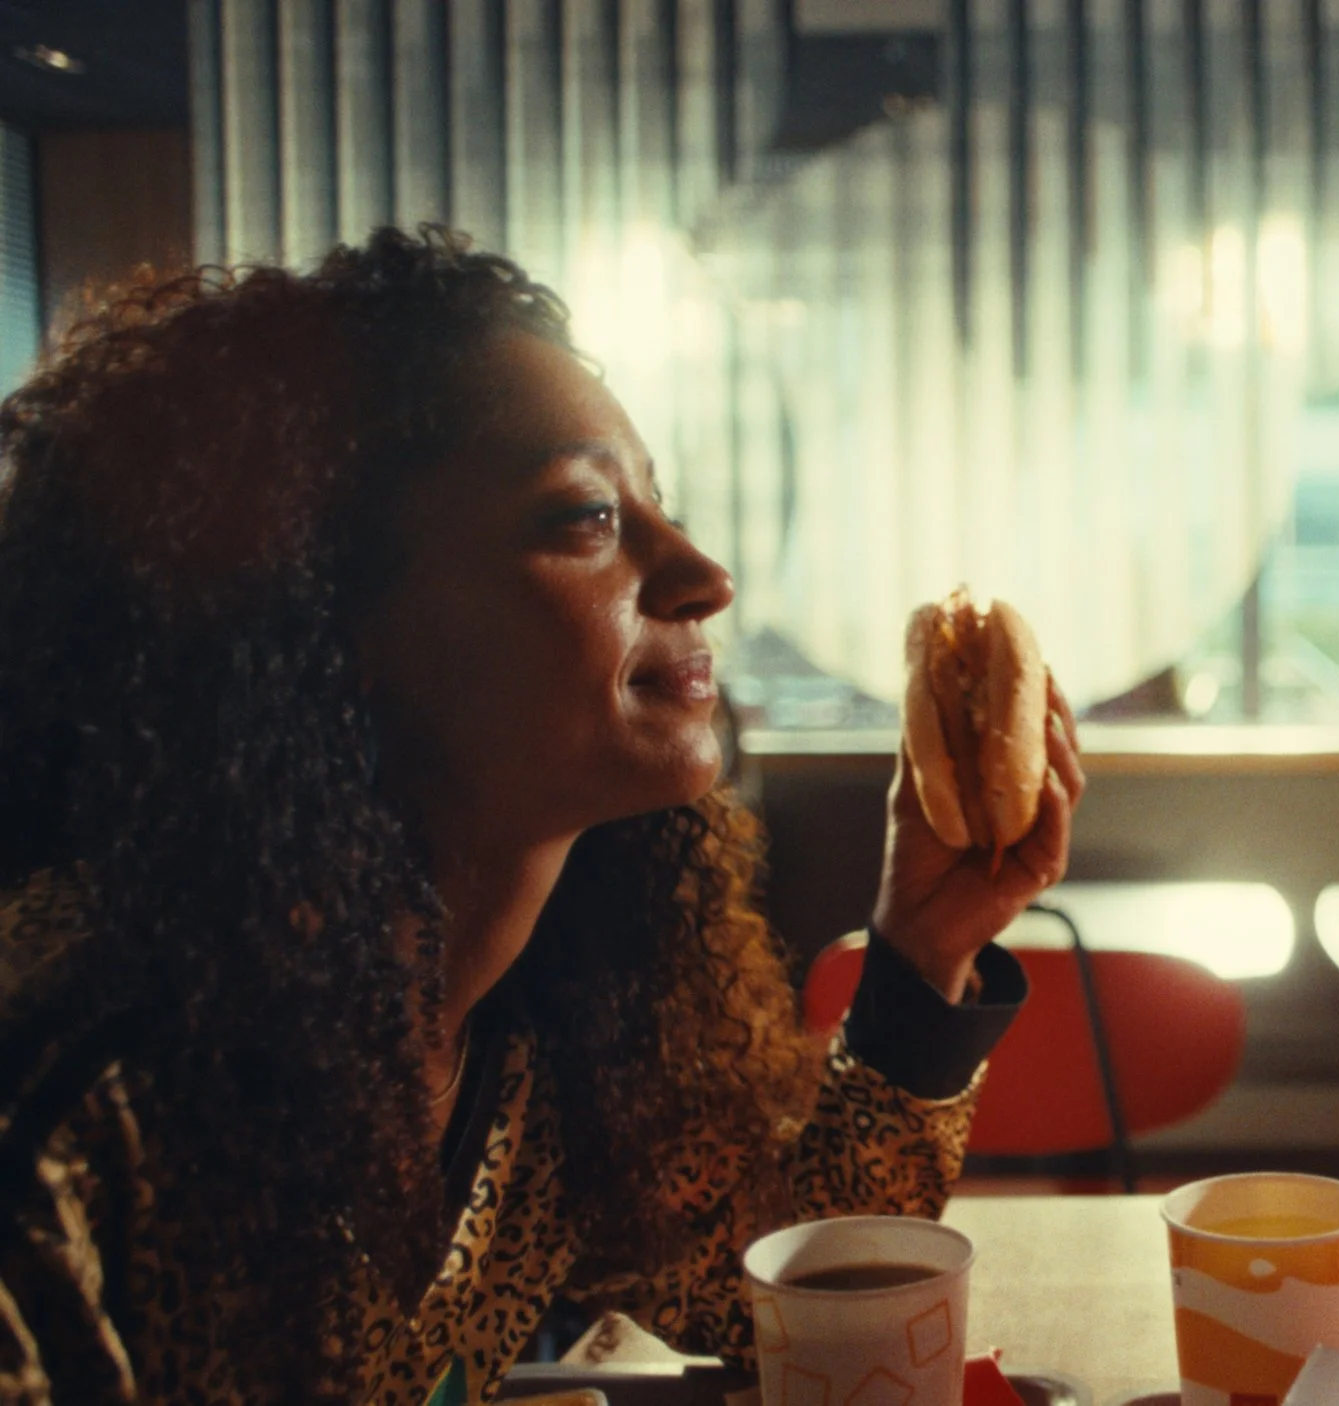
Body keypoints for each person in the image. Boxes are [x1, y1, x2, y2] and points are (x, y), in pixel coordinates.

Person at [0, 228, 1083, 1405]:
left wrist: (924, 947)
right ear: (324, 623)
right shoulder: (71, 1100)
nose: (704, 572)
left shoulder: (546, 1033)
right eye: (586, 518)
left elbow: (769, 1290)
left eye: (654, 504)